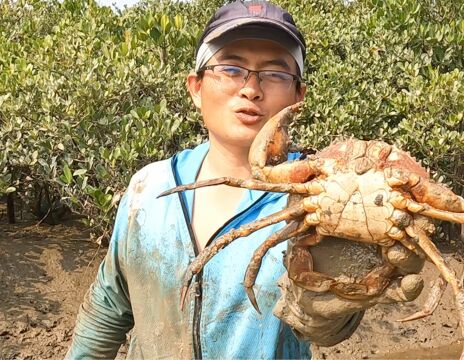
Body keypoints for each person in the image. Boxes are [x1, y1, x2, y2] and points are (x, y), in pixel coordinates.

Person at [66, 1, 424, 359]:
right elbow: (109, 306)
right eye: (231, 68)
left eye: (275, 73)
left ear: (299, 95)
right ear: (195, 87)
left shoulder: (323, 195)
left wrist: (333, 306)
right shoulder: (149, 188)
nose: (251, 89)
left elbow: (323, 326)